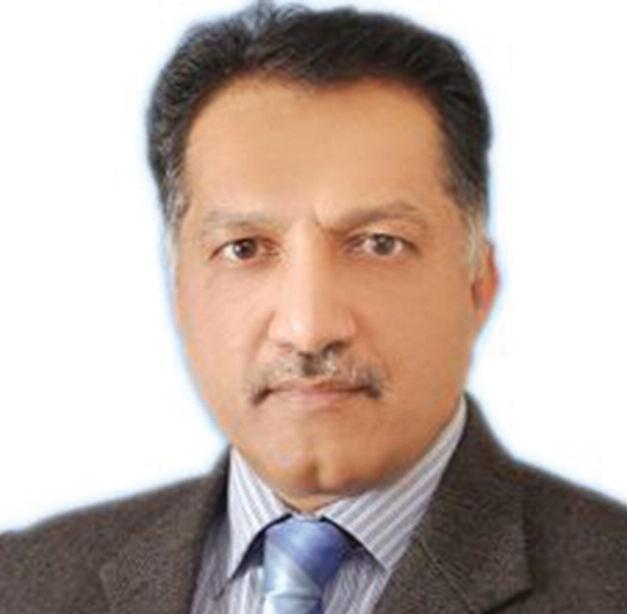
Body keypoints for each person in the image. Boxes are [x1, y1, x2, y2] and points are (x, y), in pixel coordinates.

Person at [1, 1, 626, 612]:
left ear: (477, 286)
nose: (308, 329)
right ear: (181, 293)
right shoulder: (21, 585)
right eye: (244, 248)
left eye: (379, 244)